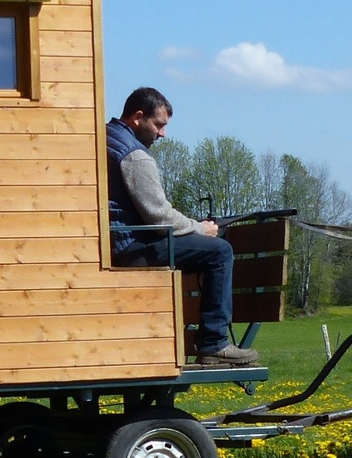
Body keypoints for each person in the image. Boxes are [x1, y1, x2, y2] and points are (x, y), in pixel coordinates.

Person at [107, 87, 260, 366]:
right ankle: (214, 343)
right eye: (159, 124)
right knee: (219, 252)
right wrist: (201, 229)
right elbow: (159, 217)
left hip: (115, 243)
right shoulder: (135, 155)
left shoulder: (106, 138)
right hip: (130, 248)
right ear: (138, 117)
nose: (162, 133)